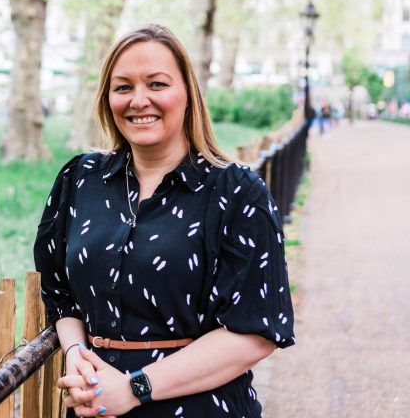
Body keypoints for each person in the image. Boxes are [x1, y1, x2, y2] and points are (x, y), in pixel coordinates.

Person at [33, 24, 295, 417]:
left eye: (157, 84)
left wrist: (134, 388)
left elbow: (257, 332)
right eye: (123, 87)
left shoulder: (237, 192)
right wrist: (76, 353)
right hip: (95, 405)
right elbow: (60, 295)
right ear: (107, 98)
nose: (139, 100)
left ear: (188, 93)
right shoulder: (80, 180)